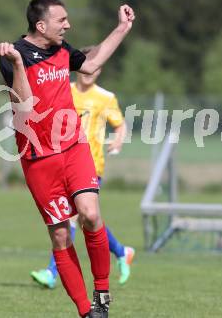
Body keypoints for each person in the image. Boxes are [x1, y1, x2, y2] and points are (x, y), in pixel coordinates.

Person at [0, 0, 135, 318]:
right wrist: (17, 64)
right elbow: (24, 104)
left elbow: (91, 63)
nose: (68, 25)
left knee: (89, 213)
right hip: (38, 158)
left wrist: (121, 29)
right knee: (60, 235)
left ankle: (102, 294)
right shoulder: (14, 55)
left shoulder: (62, 50)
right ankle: (87, 312)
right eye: (62, 21)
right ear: (41, 25)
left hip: (73, 147)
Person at [30, 62, 135, 290]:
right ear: (78, 69)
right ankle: (121, 251)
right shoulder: (63, 89)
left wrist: (118, 139)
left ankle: (51, 272)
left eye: (95, 69)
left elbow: (120, 125)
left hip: (91, 165)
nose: (90, 73)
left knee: (72, 218)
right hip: (61, 162)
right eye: (87, 68)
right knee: (87, 218)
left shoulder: (105, 97)